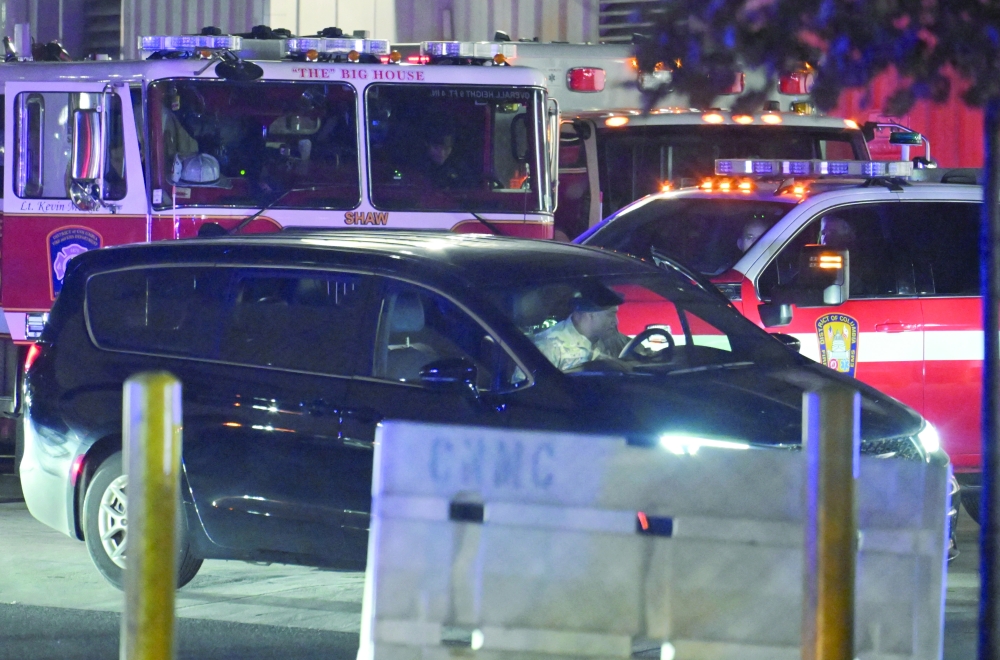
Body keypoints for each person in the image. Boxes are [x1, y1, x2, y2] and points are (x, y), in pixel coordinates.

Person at [532, 289, 626, 371]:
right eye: (611, 314)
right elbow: (531, 390)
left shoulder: (609, 340)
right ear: (590, 314)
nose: (616, 321)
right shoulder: (549, 346)